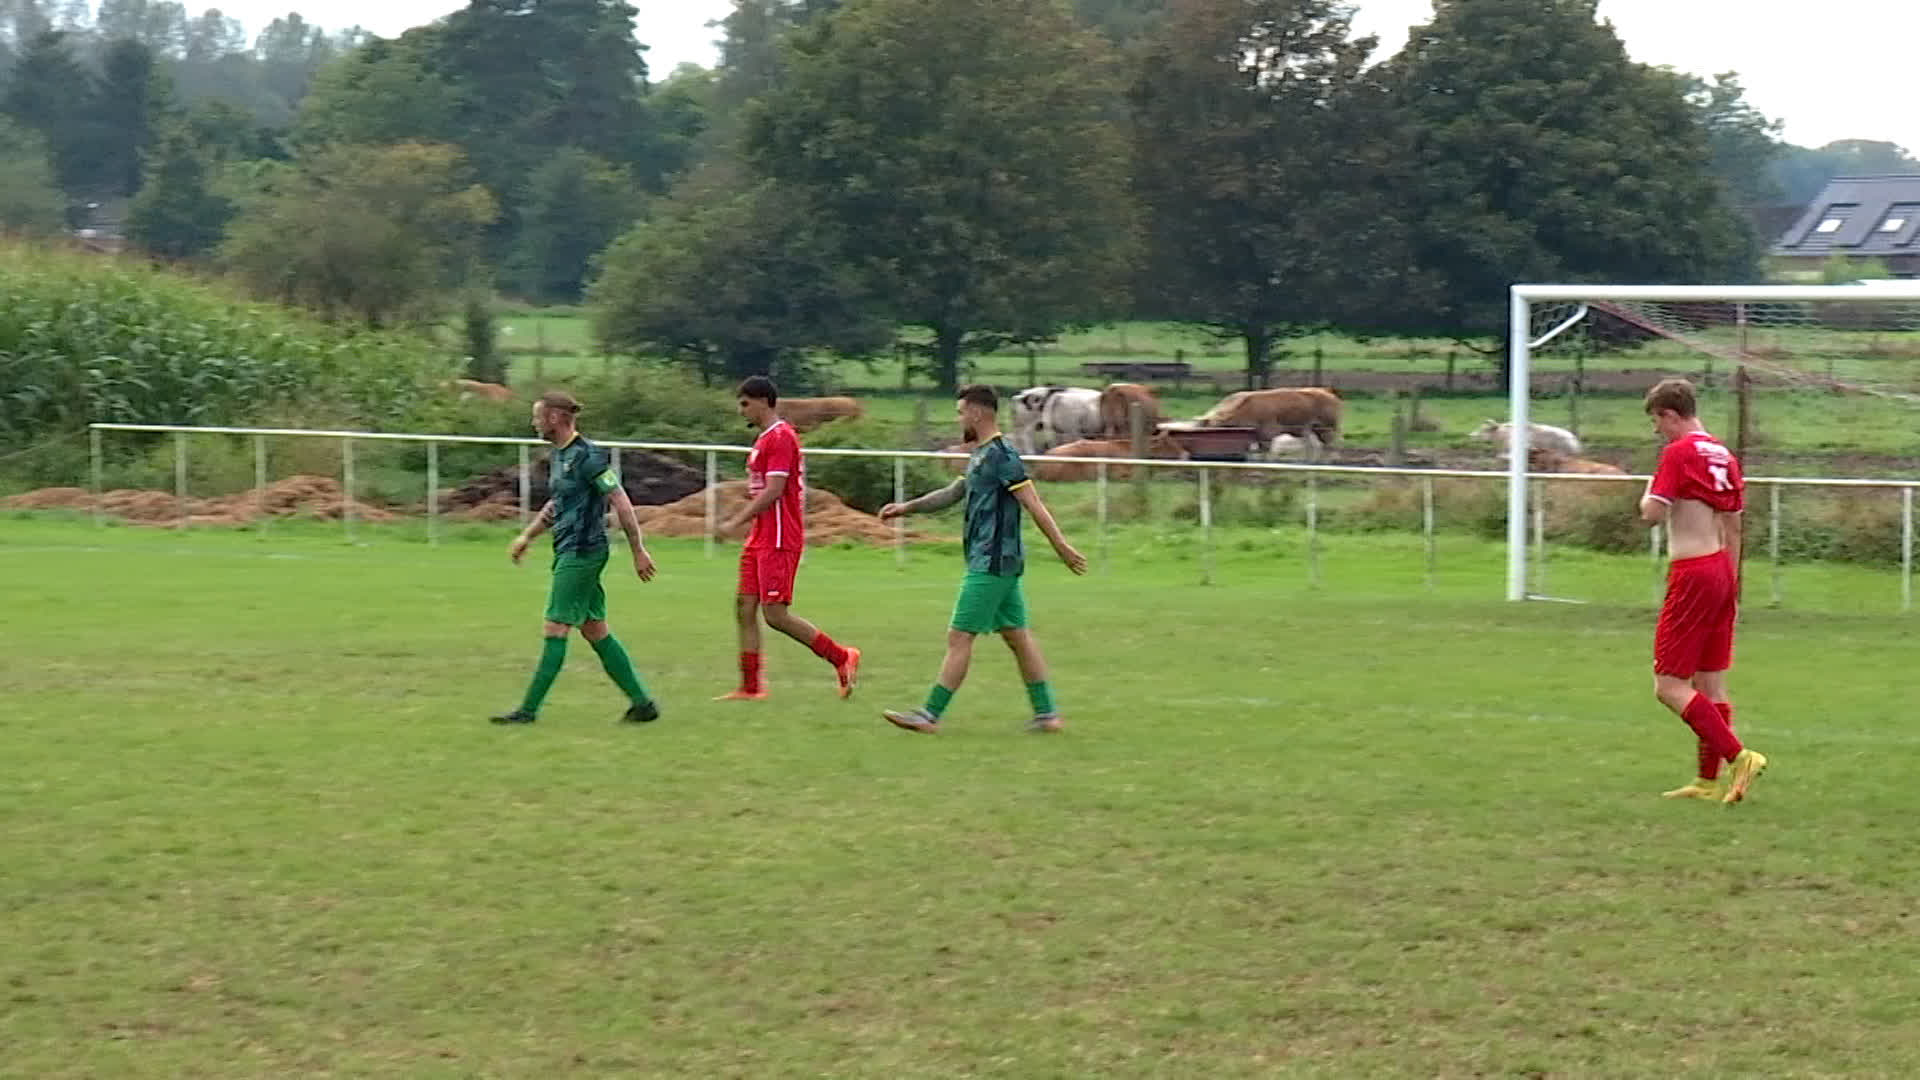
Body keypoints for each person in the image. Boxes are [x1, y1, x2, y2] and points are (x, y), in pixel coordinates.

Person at [877, 383, 1088, 734]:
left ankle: (929, 715)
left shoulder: (1003, 455)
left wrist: (1062, 548)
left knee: (959, 637)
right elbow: (953, 492)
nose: (959, 418)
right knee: (1018, 637)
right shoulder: (980, 454)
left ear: (976, 412)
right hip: (995, 562)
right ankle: (1048, 715)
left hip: (991, 562)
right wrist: (906, 508)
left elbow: (1033, 504)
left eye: (961, 412)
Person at [492, 391, 661, 725]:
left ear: (555, 417)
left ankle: (528, 711)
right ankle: (643, 704)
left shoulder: (589, 457)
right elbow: (558, 505)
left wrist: (638, 550)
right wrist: (528, 536)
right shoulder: (559, 456)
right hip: (569, 549)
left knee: (555, 627)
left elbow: (621, 501)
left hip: (582, 553)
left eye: (537, 416)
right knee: (595, 629)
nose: (534, 422)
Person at [1638, 378, 1766, 803]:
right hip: (1721, 570)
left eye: (1658, 422)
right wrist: (1732, 583)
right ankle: (1708, 783)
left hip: (1692, 571)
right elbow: (1733, 524)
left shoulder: (1678, 453)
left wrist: (1645, 492)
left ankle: (1739, 757)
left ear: (1670, 414)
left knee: (1669, 685)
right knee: (1711, 686)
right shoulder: (1724, 455)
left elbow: (1652, 514)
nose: (1659, 432)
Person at [714, 376, 862, 701]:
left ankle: (841, 657)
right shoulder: (764, 439)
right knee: (744, 606)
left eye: (745, 404)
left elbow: (774, 490)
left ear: (764, 401)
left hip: (780, 537)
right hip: (761, 536)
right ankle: (751, 686)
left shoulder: (781, 437)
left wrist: (734, 521)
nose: (742, 411)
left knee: (775, 614)